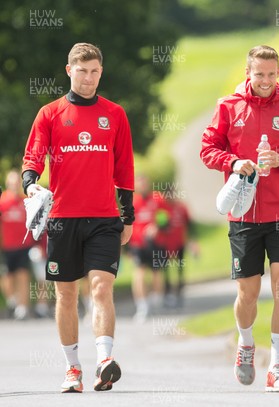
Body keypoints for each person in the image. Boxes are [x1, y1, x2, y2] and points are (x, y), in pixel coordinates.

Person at [201, 45, 279, 392]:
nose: (266, 81)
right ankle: (246, 343)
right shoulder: (228, 107)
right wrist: (234, 162)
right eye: (259, 74)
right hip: (243, 213)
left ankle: (278, 367)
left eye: (271, 74)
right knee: (248, 293)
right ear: (248, 73)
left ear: (278, 72)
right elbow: (207, 150)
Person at [21, 43, 135, 393]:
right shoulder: (50, 113)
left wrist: (127, 215)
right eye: (82, 71)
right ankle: (73, 369)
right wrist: (29, 186)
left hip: (103, 219)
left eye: (95, 71)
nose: (89, 78)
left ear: (102, 72)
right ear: (69, 70)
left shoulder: (115, 114)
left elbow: (124, 168)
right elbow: (32, 158)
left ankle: (104, 361)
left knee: (101, 288)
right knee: (66, 295)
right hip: (62, 218)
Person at [0, 170, 35, 320]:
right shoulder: (2, 202)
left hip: (23, 246)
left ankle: (22, 307)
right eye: (11, 182)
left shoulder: (25, 201)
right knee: (6, 277)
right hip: (6, 247)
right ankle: (12, 300)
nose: (14, 185)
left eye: (16, 182)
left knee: (22, 275)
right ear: (8, 184)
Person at [129, 174, 164, 322]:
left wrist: (156, 226)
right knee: (139, 273)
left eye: (145, 182)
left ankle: (157, 300)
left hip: (156, 242)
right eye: (139, 183)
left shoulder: (157, 198)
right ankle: (142, 306)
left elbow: (165, 217)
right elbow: (127, 224)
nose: (142, 185)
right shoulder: (132, 202)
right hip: (138, 244)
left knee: (157, 272)